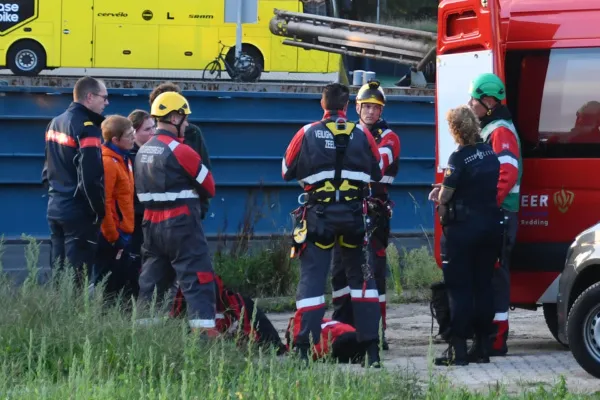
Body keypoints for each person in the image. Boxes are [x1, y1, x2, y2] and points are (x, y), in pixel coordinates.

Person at [282, 83, 383, 368]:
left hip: (318, 218)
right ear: (348, 105)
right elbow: (377, 170)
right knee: (363, 283)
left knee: (313, 282)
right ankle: (371, 351)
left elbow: (286, 170)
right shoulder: (362, 133)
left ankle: (303, 349)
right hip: (355, 218)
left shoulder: (307, 132)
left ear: (322, 104)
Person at [134, 91, 218, 336]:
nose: (188, 124)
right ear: (173, 117)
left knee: (152, 281)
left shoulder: (142, 151)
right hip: (181, 225)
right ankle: (203, 338)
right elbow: (209, 187)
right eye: (185, 118)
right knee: (197, 277)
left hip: (151, 225)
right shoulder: (183, 151)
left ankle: (146, 336)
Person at [429, 105, 504, 366]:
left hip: (462, 232)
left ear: (455, 129)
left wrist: (439, 195)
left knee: (459, 290)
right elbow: (479, 185)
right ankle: (482, 347)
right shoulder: (489, 152)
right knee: (483, 287)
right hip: (490, 228)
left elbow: (448, 194)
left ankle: (458, 350)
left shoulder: (458, 158)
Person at [330, 80, 401, 350]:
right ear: (357, 107)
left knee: (373, 275)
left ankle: (376, 333)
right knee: (340, 271)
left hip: (374, 214)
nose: (371, 112)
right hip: (348, 211)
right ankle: (343, 329)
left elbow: (377, 165)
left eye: (376, 107)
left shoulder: (389, 137)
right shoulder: (351, 132)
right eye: (367, 106)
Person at [468, 72, 522, 357]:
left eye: (474, 99)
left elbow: (507, 173)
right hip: (497, 214)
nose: (470, 104)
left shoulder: (499, 131)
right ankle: (490, 336)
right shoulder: (493, 128)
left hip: (500, 214)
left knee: (496, 279)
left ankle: (497, 340)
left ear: (488, 101)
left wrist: (488, 204)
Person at [42, 76, 108, 284]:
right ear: (90, 97)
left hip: (56, 206)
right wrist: (99, 211)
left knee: (59, 274)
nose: (107, 103)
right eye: (104, 98)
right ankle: (74, 315)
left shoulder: (55, 122)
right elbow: (90, 177)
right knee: (77, 280)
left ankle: (57, 315)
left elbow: (47, 170)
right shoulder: (86, 127)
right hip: (78, 212)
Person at [148, 82, 212, 220]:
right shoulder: (147, 133)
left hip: (184, 213)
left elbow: (204, 171)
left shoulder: (192, 133)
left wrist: (201, 208)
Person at [93, 115, 137, 299]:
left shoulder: (123, 159)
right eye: (129, 135)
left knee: (120, 281)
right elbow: (105, 202)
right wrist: (113, 236)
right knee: (108, 283)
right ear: (115, 140)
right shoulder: (108, 162)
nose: (133, 138)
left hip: (124, 231)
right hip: (113, 235)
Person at [127, 109, 156, 276]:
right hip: (136, 216)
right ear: (134, 132)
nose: (153, 132)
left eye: (153, 128)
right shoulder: (130, 156)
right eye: (147, 129)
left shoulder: (153, 152)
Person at [285, 313, 367, 364]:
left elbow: (321, 350)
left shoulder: (301, 331)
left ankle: (362, 355)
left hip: (343, 339)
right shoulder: (308, 318)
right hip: (350, 333)